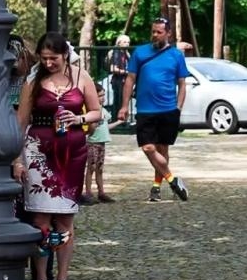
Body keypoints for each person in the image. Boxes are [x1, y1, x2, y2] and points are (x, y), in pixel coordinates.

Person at [13, 31, 105, 280]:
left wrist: (79, 118)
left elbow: (97, 112)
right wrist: (16, 159)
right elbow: (21, 121)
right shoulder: (34, 79)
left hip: (71, 152)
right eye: (44, 58)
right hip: (38, 151)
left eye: (53, 58)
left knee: (64, 219)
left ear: (65, 54)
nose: (48, 63)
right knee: (40, 219)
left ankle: (62, 279)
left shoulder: (80, 76)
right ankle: (41, 279)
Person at [119, 16, 191, 203]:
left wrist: (178, 107)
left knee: (162, 148)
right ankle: (173, 180)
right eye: (153, 31)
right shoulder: (140, 53)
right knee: (148, 147)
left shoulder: (176, 55)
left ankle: (156, 188)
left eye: (159, 32)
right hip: (145, 109)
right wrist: (124, 105)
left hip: (168, 109)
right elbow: (130, 80)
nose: (155, 35)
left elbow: (182, 84)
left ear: (168, 33)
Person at [81, 109, 113, 205]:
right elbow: (89, 128)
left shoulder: (104, 111)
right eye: (100, 96)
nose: (102, 98)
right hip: (92, 143)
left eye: (103, 95)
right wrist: (92, 128)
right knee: (91, 168)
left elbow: (107, 125)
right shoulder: (91, 111)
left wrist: (119, 122)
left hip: (102, 142)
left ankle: (101, 192)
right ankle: (88, 192)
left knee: (99, 168)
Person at [107, 34, 132, 122]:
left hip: (123, 81)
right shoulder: (117, 52)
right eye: (125, 42)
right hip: (118, 80)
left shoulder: (125, 53)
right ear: (119, 43)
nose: (127, 44)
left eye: (128, 42)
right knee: (119, 102)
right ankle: (117, 122)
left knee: (123, 101)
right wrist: (126, 72)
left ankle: (121, 121)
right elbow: (113, 68)